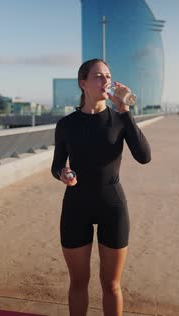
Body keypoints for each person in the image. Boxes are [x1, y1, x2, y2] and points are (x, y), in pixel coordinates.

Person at [51, 58, 151, 316]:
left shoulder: (119, 120)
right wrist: (63, 173)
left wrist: (125, 111)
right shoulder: (67, 125)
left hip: (112, 206)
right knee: (78, 283)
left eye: (108, 74)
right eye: (98, 76)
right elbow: (56, 165)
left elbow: (144, 156)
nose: (105, 80)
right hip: (76, 207)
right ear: (83, 83)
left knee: (111, 285)